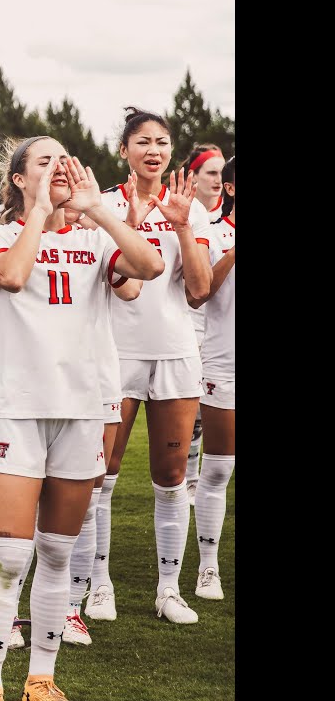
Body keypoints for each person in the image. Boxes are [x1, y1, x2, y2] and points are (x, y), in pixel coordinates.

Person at [0, 138, 164, 701]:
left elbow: (149, 266)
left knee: (57, 552)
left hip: (83, 411)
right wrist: (38, 210)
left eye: (64, 159)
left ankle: (41, 678)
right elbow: (11, 276)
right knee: (10, 556)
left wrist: (98, 209)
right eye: (44, 161)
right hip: (18, 409)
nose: (59, 167)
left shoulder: (94, 236)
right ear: (18, 178)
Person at [84, 107, 213, 626]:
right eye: (142, 142)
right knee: (101, 474)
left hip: (177, 352)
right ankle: (98, 585)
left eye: (161, 142)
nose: (153, 150)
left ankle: (169, 590)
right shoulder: (104, 205)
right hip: (115, 353)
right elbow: (118, 282)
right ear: (124, 150)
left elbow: (199, 290)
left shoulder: (190, 208)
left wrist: (181, 226)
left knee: (172, 476)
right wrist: (129, 228)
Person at [188, 155, 234, 601]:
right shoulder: (217, 235)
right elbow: (199, 294)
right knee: (217, 469)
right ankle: (208, 567)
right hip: (225, 366)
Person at [174, 143, 224, 503]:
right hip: (188, 317)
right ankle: (189, 476)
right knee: (191, 406)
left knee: (210, 409)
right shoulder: (185, 211)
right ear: (193, 176)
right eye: (211, 172)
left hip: (219, 324)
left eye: (223, 173)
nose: (218, 180)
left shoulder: (227, 216)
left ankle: (204, 475)